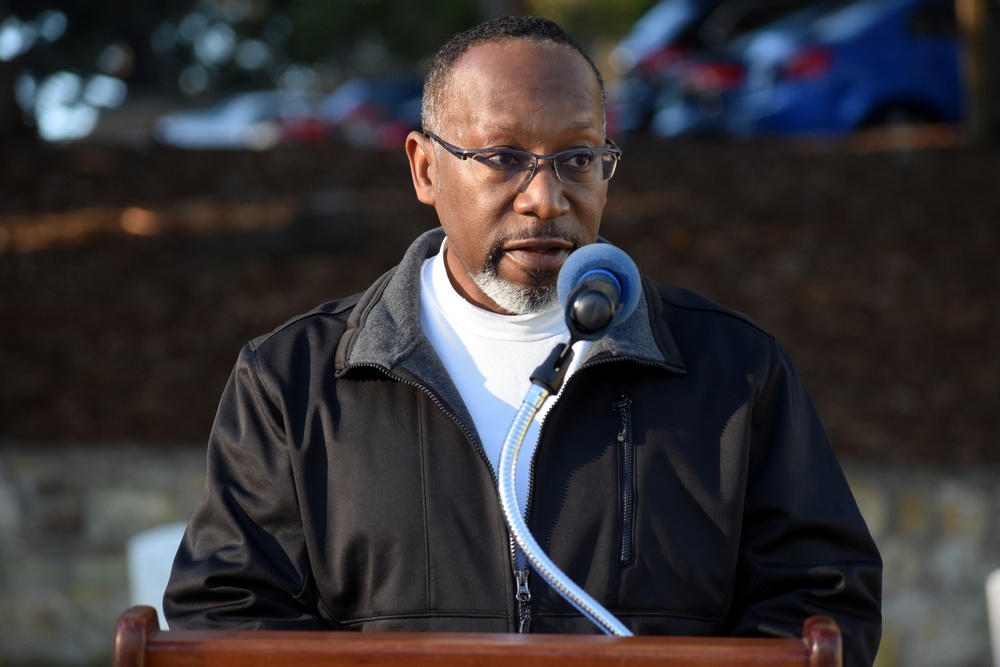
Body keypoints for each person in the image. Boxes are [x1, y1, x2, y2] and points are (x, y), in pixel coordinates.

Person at [164, 15, 882, 667]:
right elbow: (226, 618)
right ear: (424, 167)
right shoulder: (293, 381)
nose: (546, 197)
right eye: (505, 157)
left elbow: (821, 604)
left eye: (578, 157)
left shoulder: (734, 370)